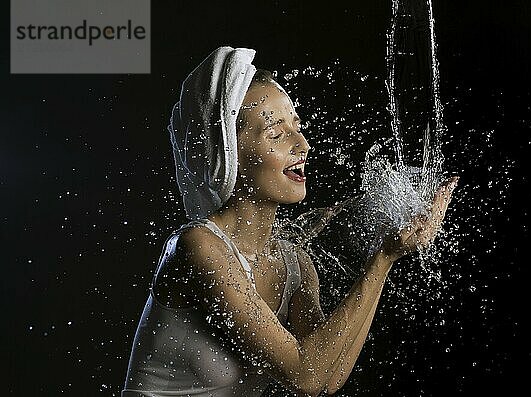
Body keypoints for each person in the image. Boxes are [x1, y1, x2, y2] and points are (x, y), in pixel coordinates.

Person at [122, 46, 458, 397]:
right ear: (227, 152)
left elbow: (326, 379)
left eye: (297, 127)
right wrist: (383, 258)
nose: (304, 144)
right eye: (276, 134)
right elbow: (305, 375)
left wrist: (386, 258)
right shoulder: (199, 247)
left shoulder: (294, 264)